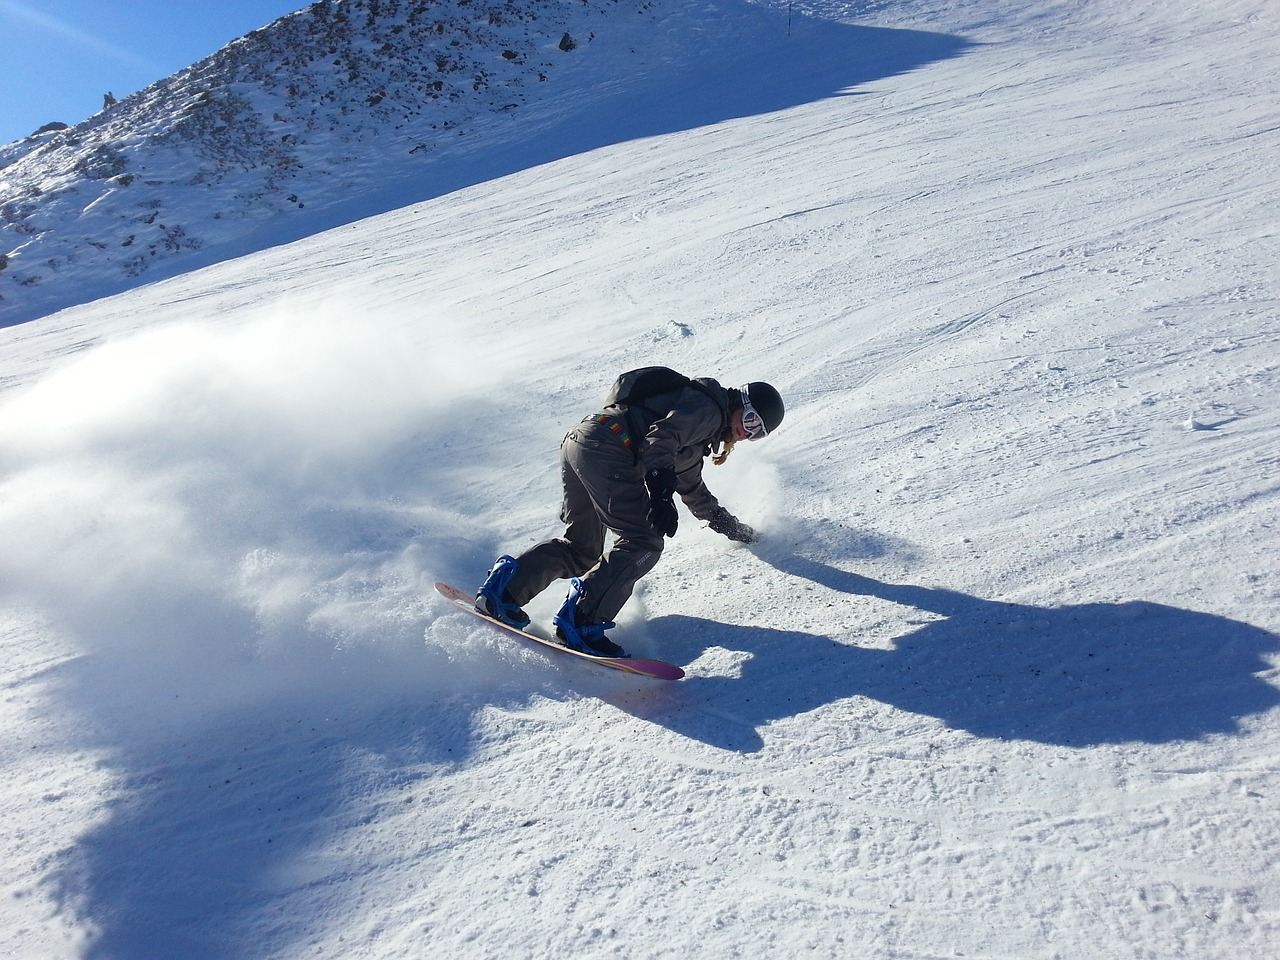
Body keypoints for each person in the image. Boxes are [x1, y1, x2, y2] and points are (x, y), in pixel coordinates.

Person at [475, 372, 784, 658]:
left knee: (582, 548)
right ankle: (583, 621)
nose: (747, 432)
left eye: (757, 433)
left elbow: (693, 490)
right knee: (644, 542)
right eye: (750, 419)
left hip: (584, 442)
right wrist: (661, 491)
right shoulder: (708, 410)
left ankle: (505, 591)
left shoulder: (698, 431)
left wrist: (733, 528)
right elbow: (660, 439)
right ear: (738, 403)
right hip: (610, 447)